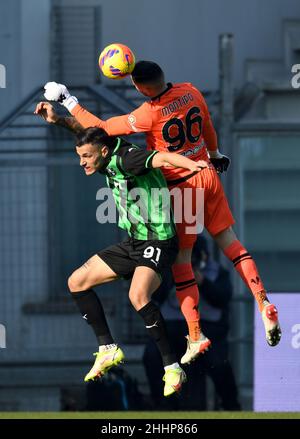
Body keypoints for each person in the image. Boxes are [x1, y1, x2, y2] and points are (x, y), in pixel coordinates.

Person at [36, 63, 281, 363]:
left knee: (182, 262)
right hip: (208, 173)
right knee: (231, 243)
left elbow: (99, 131)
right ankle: (263, 301)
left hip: (181, 184)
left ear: (139, 88)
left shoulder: (148, 113)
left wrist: (67, 99)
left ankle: (195, 335)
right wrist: (214, 155)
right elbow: (207, 127)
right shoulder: (191, 91)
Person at [32, 120, 208, 396]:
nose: (82, 163)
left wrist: (190, 165)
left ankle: (172, 366)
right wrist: (59, 119)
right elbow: (85, 134)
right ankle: (107, 348)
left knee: (138, 296)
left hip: (159, 239)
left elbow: (159, 157)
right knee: (76, 281)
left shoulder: (128, 158)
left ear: (103, 152)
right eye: (79, 156)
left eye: (86, 157)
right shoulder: (103, 150)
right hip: (134, 242)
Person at [143, 235, 241, 411]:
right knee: (152, 355)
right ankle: (163, 404)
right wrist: (172, 276)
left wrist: (201, 281)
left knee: (219, 364)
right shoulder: (167, 270)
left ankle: (231, 405)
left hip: (208, 332)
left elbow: (223, 298)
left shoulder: (217, 272)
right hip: (173, 332)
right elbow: (156, 296)